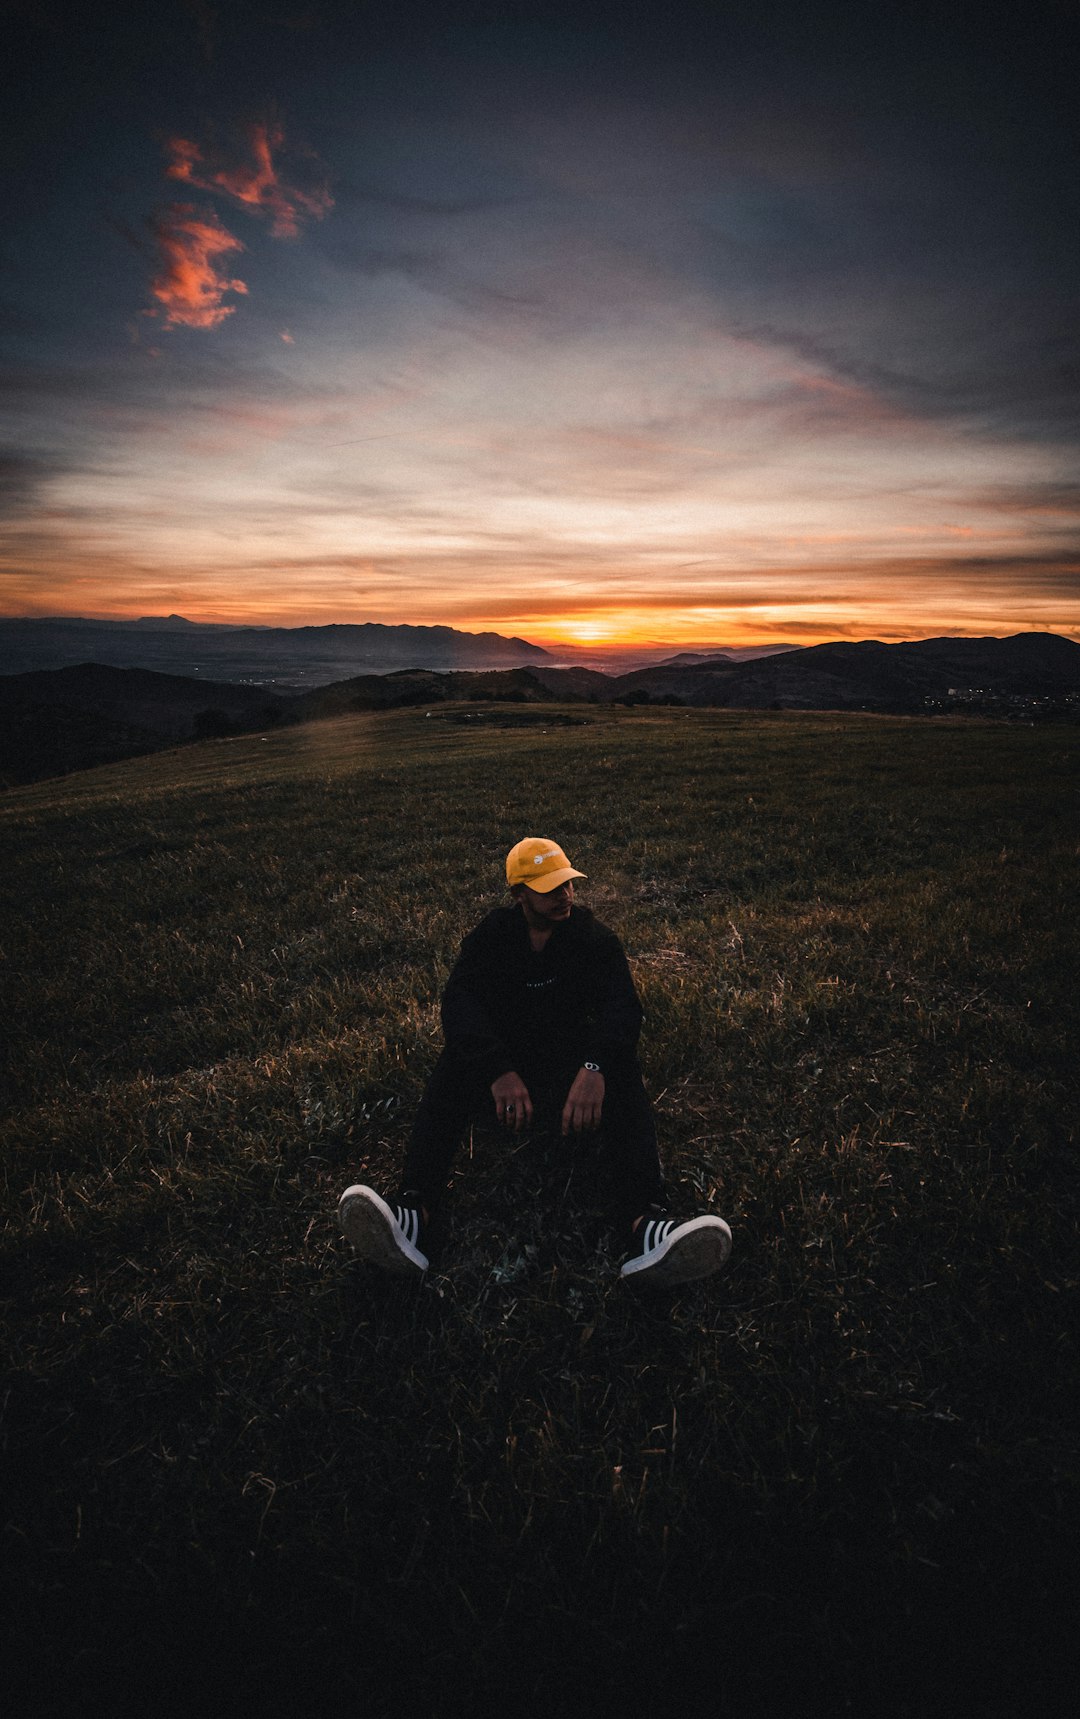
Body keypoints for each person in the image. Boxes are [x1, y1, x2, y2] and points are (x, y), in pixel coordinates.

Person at [337, 837, 732, 1285]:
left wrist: (595, 1068)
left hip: (571, 1073)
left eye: (567, 883)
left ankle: (648, 1228)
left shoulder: (593, 939)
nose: (563, 895)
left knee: (623, 1070)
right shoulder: (492, 937)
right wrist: (497, 1070)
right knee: (453, 1066)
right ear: (518, 894)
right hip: (507, 1074)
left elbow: (622, 1009)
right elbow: (459, 1004)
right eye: (548, 887)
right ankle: (413, 1213)